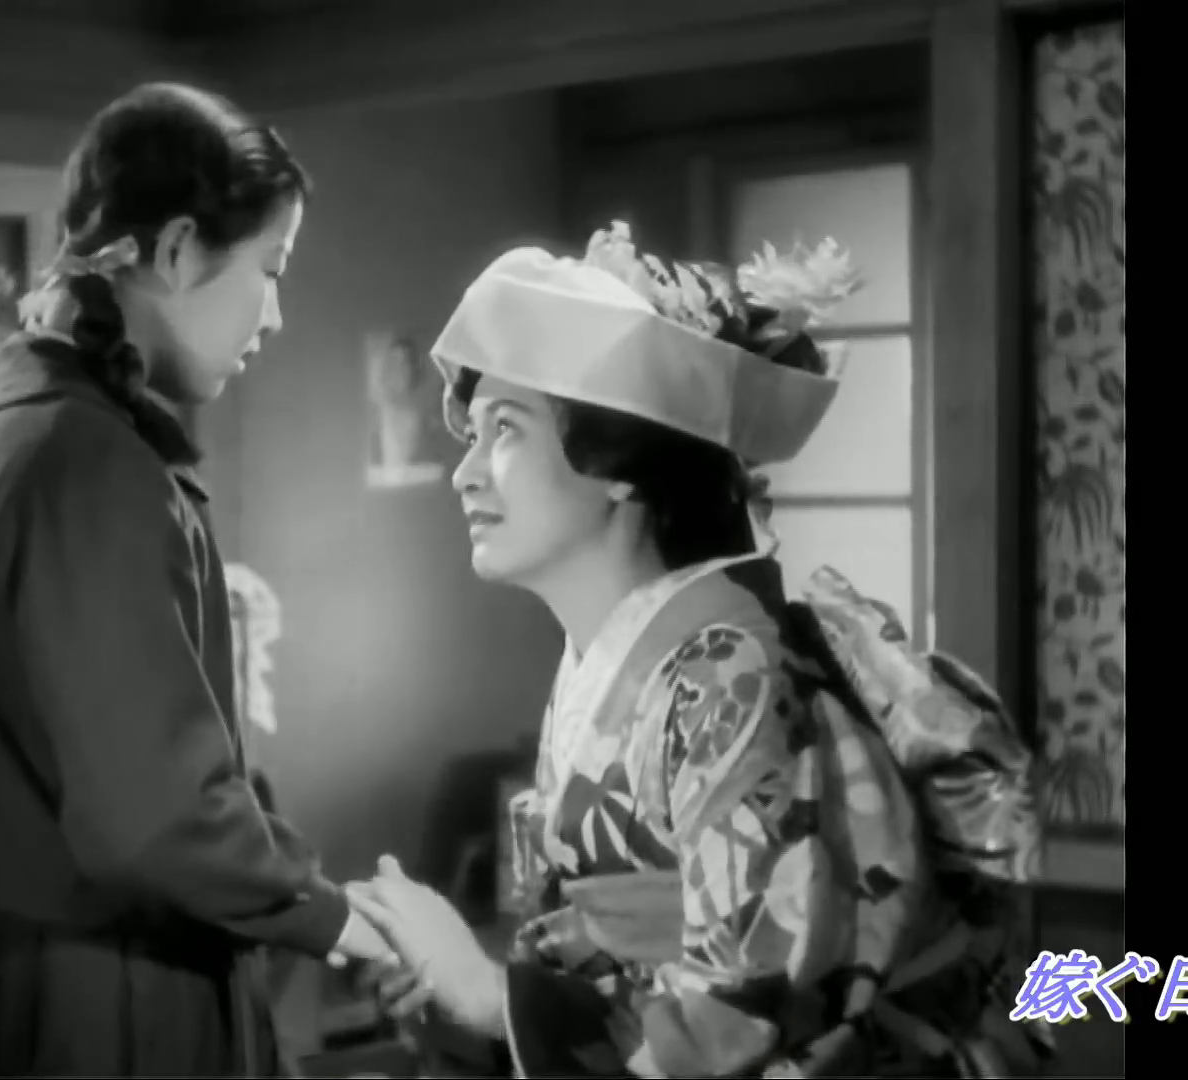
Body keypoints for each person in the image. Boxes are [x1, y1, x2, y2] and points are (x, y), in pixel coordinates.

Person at [346, 223, 1047, 1077]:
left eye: (506, 430)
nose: (466, 472)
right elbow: (600, 945)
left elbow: (752, 1002)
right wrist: (468, 996)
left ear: (615, 459)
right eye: (474, 434)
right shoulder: (621, 661)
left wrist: (496, 999)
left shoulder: (727, 669)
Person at [0, 83, 396, 1077]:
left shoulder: (5, 426)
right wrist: (340, 920)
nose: (275, 314)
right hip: (81, 997)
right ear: (179, 250)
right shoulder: (89, 462)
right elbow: (152, 814)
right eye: (270, 269)